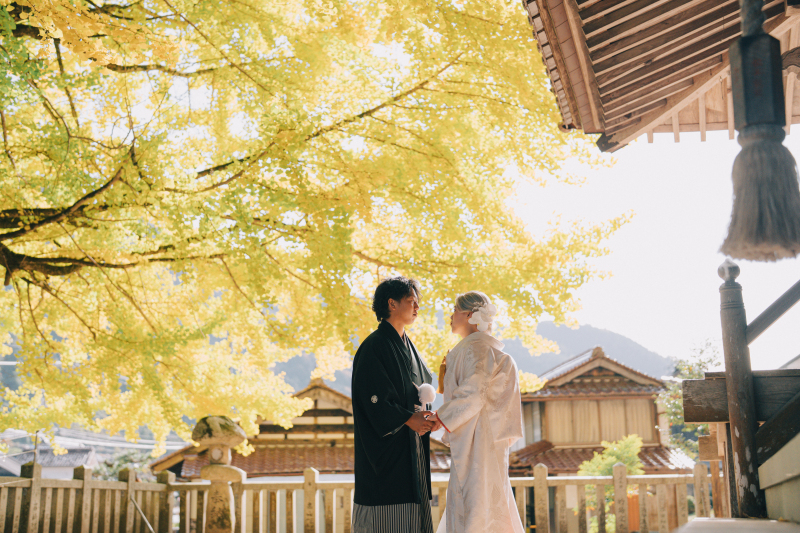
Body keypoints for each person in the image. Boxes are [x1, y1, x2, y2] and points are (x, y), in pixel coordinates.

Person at [351, 276, 438, 533]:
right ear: (392, 304)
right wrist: (408, 418)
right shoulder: (374, 347)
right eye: (411, 301)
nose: (417, 307)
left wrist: (426, 417)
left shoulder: (410, 348)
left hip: (413, 447)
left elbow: (421, 392)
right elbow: (373, 400)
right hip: (387, 455)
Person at [433, 291, 525, 533]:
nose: (451, 315)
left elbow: (474, 393)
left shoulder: (477, 349)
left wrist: (440, 418)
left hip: (477, 438)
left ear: (470, 315)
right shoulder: (482, 349)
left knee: (475, 504)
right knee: (486, 503)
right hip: (485, 435)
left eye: (455, 310)